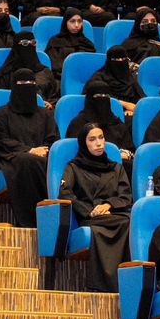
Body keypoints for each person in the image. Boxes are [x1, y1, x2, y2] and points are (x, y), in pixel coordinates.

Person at [55, 123, 131, 293]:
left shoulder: (116, 168)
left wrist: (108, 205)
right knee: (125, 223)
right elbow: (65, 193)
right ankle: (110, 284)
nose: (99, 143)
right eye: (92, 139)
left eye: (101, 137)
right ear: (84, 143)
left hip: (113, 214)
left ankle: (123, 283)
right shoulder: (74, 167)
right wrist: (90, 211)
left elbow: (126, 196)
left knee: (129, 222)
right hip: (90, 217)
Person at [0, 79, 55, 228]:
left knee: (44, 163)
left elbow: (53, 139)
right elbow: (1, 140)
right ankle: (31, 221)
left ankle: (48, 218)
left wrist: (44, 150)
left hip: (42, 156)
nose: (27, 87)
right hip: (11, 157)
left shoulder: (45, 114)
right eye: (22, 83)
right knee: (27, 161)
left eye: (30, 83)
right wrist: (30, 150)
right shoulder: (2, 113)